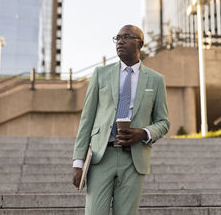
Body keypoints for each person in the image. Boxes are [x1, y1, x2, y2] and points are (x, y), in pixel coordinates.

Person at [72, 25, 170, 215]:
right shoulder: (100, 75)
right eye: (117, 38)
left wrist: (144, 133)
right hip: (102, 156)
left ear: (139, 43)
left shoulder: (156, 80)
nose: (120, 41)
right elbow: (87, 119)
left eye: (126, 37)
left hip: (134, 160)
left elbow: (163, 122)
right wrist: (78, 162)